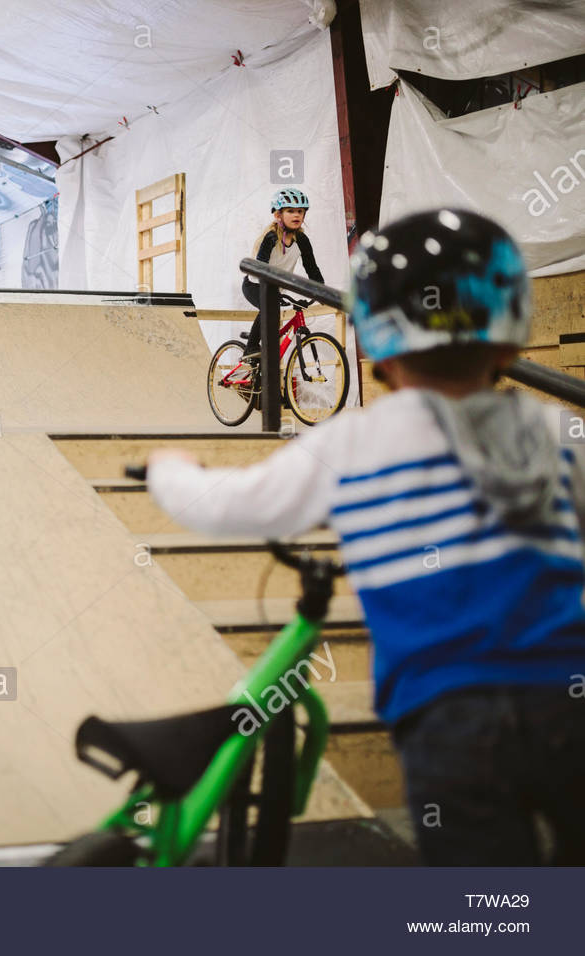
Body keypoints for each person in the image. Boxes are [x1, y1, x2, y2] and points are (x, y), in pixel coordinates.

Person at [146, 208, 585, 865]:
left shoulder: (353, 444)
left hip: (447, 717)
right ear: (510, 336)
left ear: (375, 342)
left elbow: (228, 506)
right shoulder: (556, 435)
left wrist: (169, 472)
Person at [241, 188, 325, 356]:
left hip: (274, 289)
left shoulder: (302, 240)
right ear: (278, 215)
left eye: (300, 211)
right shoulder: (271, 237)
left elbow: (312, 268)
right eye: (290, 211)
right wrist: (273, 293)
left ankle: (264, 358)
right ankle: (251, 347)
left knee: (274, 319)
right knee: (270, 307)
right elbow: (261, 268)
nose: (296, 215)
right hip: (254, 285)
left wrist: (321, 291)